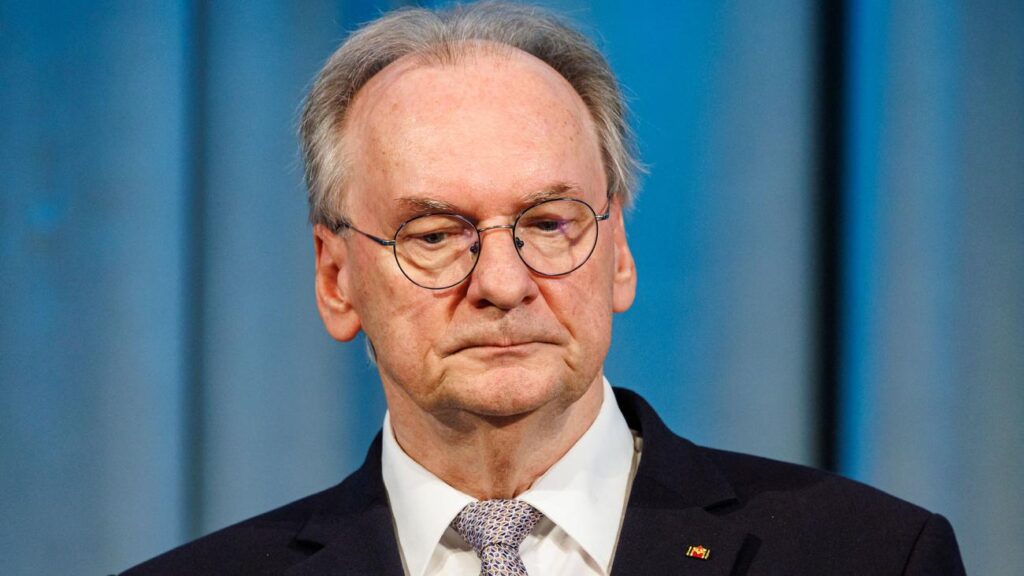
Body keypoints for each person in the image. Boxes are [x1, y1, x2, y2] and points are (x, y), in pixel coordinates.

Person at [122, 3, 965, 575]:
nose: (502, 283)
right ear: (336, 278)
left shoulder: (871, 556)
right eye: (435, 234)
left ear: (618, 251)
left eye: (549, 222)